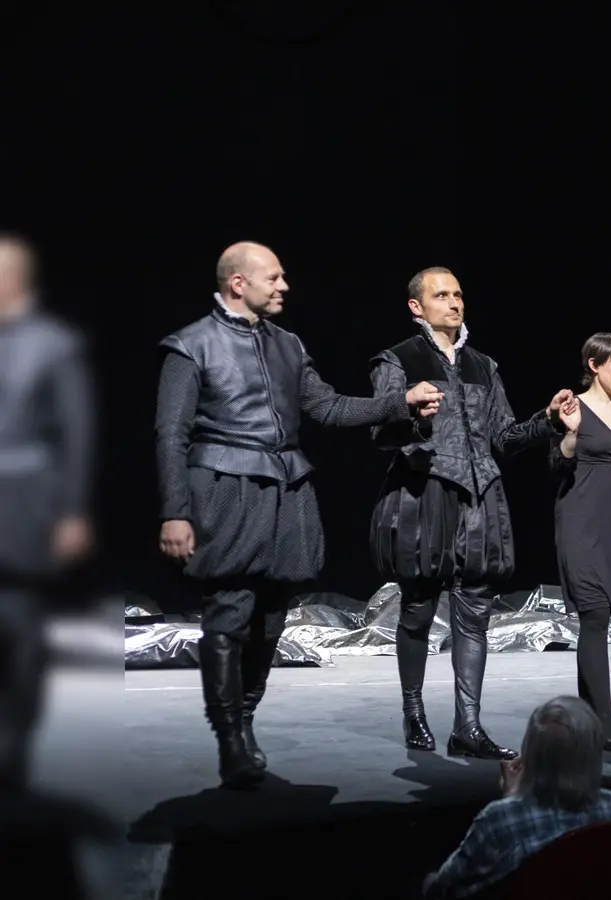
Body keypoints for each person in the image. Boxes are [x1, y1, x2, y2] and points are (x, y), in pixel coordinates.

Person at [157, 242, 443, 788]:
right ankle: (231, 739)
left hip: (286, 490)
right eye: (274, 277)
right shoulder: (190, 346)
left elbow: (328, 406)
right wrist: (175, 511)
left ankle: (245, 721)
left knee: (270, 617)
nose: (284, 285)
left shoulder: (288, 345)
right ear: (238, 283)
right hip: (223, 488)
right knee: (230, 612)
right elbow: (171, 434)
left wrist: (397, 402)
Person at [370, 267, 573, 760]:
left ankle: (468, 726)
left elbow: (503, 437)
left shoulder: (485, 365)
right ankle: (414, 712)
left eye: (458, 293)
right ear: (417, 306)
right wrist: (409, 416)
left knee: (475, 613)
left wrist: (547, 421)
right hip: (426, 492)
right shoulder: (398, 360)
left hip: (481, 498)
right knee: (418, 609)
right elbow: (379, 432)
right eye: (441, 295)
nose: (454, 302)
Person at [0, 234, 94, 790]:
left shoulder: (53, 343)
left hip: (24, 507)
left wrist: (73, 512)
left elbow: (77, 433)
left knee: (18, 631)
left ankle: (14, 758)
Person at [421, 697, 611, 900]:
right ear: (594, 752)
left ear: (530, 753)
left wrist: (513, 799)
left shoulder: (500, 819)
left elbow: (443, 886)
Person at [551, 332, 611, 751]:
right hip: (580, 522)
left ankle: (586, 719)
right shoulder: (575, 408)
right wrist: (569, 434)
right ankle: (604, 718)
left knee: (603, 616)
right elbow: (557, 462)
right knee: (594, 614)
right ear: (594, 364)